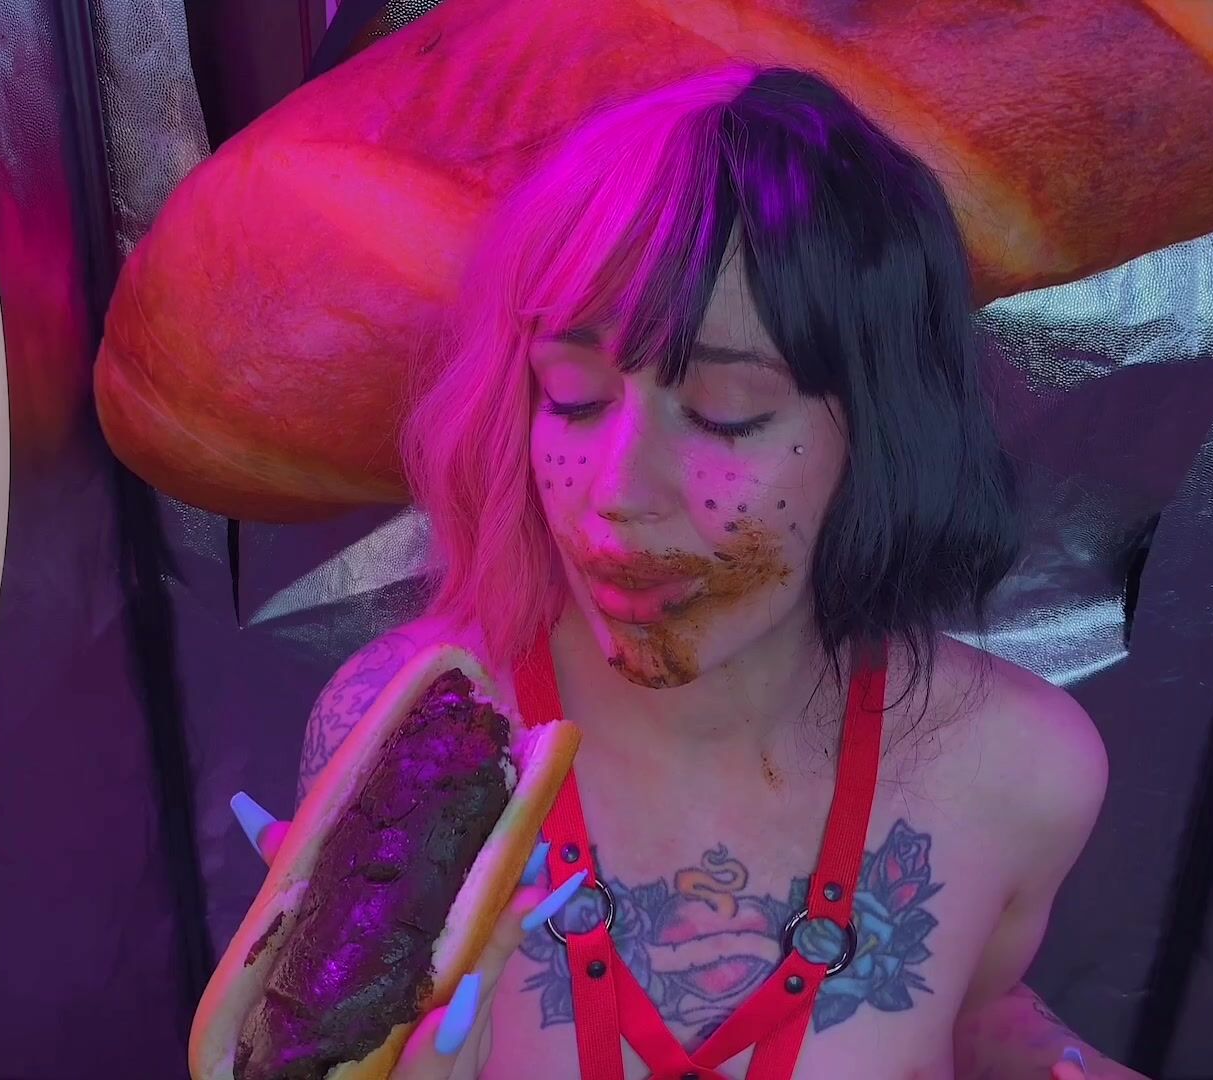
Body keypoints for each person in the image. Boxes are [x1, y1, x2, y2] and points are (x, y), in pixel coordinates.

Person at [270, 63, 1144, 1080]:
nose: (616, 494)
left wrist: (1049, 1056)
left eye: (729, 414)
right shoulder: (400, 731)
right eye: (572, 396)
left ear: (885, 433)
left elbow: (973, 1005)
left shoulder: (1024, 771)